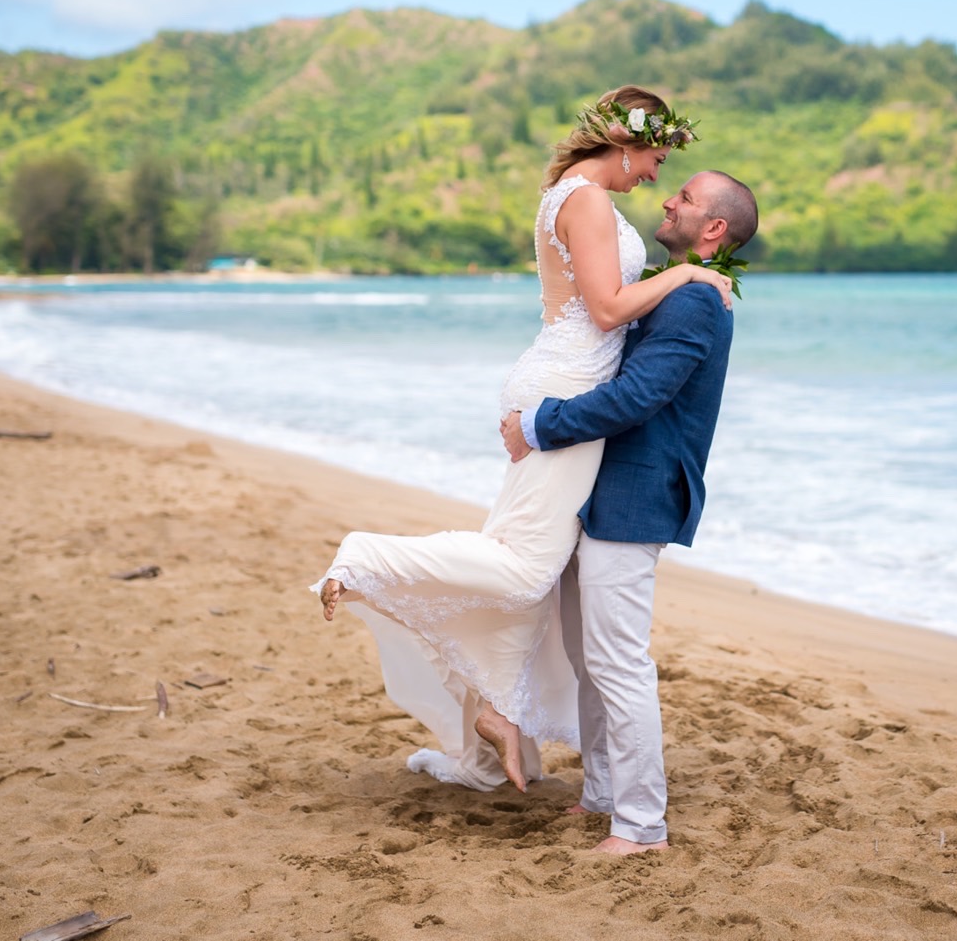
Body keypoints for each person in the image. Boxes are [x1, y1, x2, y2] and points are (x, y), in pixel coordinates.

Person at [312, 86, 732, 794]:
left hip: (556, 381)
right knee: (526, 569)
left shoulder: (573, 194)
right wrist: (687, 271)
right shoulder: (591, 200)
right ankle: (365, 555)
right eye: (657, 157)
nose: (655, 177)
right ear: (625, 141)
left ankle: (495, 723)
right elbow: (604, 311)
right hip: (564, 391)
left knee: (525, 561)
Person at [500, 169, 758, 855]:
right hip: (600, 487)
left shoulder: (697, 306)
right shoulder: (671, 292)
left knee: (617, 661)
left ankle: (642, 826)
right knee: (590, 657)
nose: (667, 199)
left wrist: (541, 423)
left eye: (686, 198)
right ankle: (603, 794)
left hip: (639, 493)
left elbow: (637, 397)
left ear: (713, 230)